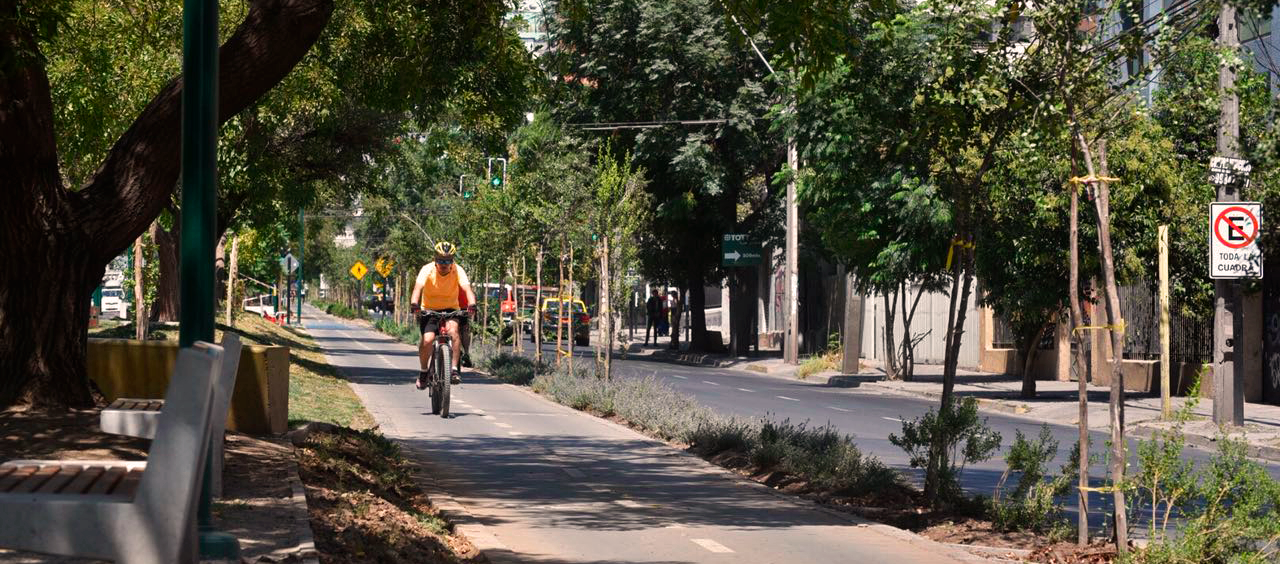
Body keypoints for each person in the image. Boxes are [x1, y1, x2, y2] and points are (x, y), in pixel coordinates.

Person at [409, 241, 476, 389]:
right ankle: (424, 372)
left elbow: (467, 288)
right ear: (435, 259)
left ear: (452, 261)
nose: (444, 264)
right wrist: (414, 304)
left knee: (453, 332)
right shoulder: (427, 269)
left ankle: (453, 370)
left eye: (447, 260)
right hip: (429, 310)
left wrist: (472, 304)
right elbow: (417, 288)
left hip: (451, 309)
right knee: (427, 340)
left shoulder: (458, 270)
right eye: (440, 260)